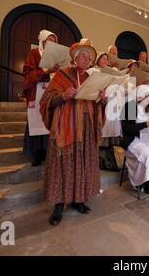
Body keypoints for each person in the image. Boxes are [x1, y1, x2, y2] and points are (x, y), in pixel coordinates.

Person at [40, 41, 106, 226]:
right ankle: (59, 206)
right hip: (66, 126)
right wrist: (62, 96)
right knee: (63, 164)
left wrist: (101, 100)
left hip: (86, 126)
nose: (88, 60)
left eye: (90, 58)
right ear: (75, 57)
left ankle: (78, 200)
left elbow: (93, 104)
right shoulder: (61, 75)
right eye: (85, 56)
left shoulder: (90, 78)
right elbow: (46, 101)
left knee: (82, 162)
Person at [22, 30, 60, 166]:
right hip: (37, 91)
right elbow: (28, 74)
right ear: (42, 41)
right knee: (37, 121)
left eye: (54, 41)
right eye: (50, 40)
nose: (52, 43)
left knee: (49, 120)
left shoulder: (56, 57)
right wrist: (45, 70)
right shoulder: (33, 53)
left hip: (51, 92)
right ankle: (36, 153)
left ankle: (47, 151)